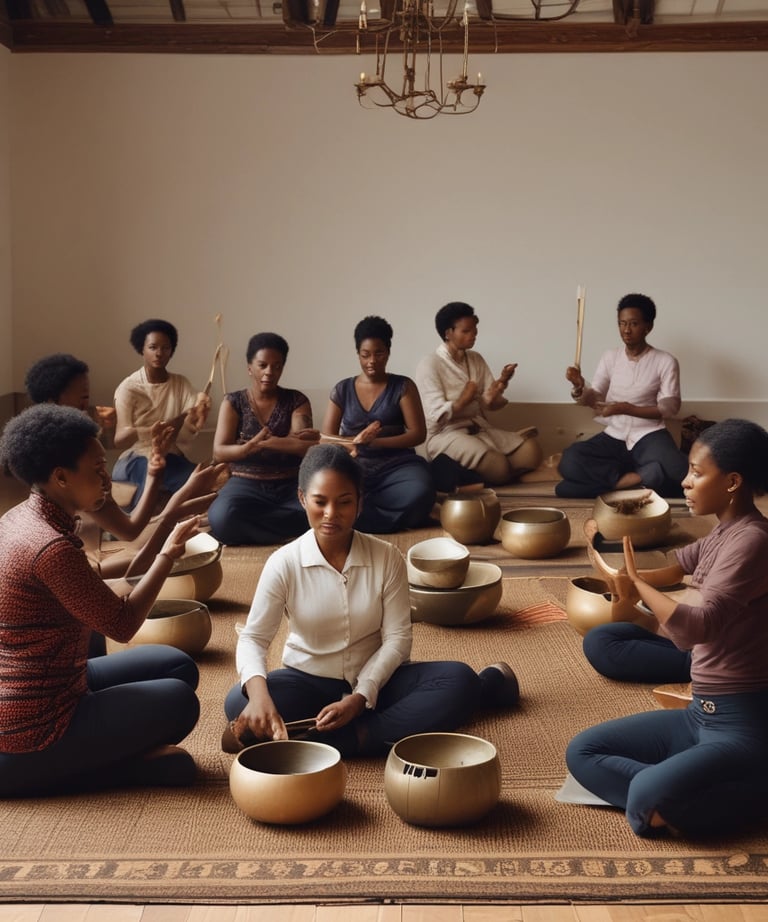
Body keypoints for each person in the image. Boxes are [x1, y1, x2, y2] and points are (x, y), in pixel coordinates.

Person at [223, 443, 519, 757]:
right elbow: (254, 637)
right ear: (301, 498)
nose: (331, 514)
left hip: (380, 681)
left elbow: (397, 639)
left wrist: (361, 696)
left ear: (360, 502)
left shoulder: (387, 557)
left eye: (344, 502)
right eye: (319, 502)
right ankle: (376, 732)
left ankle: (346, 739)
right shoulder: (283, 563)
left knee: (457, 679)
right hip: (307, 682)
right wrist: (258, 697)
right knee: (238, 702)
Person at [566, 419, 768, 838]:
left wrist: (636, 585)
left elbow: (700, 625)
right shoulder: (724, 532)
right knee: (582, 751)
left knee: (643, 800)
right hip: (700, 716)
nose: (686, 482)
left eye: (697, 472)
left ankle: (740, 789)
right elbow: (678, 565)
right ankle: (683, 784)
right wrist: (624, 578)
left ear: (732, 481)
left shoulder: (753, 541)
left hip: (741, 724)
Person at [0, 404, 203, 796]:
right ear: (60, 477)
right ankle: (104, 768)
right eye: (96, 470)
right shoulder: (50, 547)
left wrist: (173, 510)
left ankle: (105, 749)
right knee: (180, 701)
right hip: (36, 723)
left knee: (178, 666)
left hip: (59, 680)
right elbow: (122, 625)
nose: (107, 478)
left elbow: (115, 584)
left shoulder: (21, 516)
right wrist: (169, 554)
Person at [25, 352, 223, 577]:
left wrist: (154, 471)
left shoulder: (57, 453)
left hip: (76, 566)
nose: (106, 477)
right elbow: (129, 549)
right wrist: (181, 500)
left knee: (163, 545)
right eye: (82, 400)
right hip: (72, 574)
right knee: (162, 554)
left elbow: (130, 529)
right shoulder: (66, 464)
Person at [556, 293, 688, 499]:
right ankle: (634, 480)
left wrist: (624, 408)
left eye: (634, 323)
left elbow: (669, 409)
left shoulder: (665, 361)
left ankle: (613, 485)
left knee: (682, 476)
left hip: (649, 436)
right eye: (622, 323)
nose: (626, 330)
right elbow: (596, 397)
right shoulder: (610, 357)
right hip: (614, 436)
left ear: (648, 326)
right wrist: (579, 386)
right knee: (570, 460)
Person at [321, 315, 435, 533]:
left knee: (421, 489)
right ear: (358, 354)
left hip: (398, 465)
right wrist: (356, 442)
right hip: (354, 465)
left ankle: (362, 519)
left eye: (379, 353)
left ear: (388, 352)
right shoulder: (342, 389)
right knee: (331, 492)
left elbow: (418, 434)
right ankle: (400, 517)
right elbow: (325, 438)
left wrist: (376, 443)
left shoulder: (403, 386)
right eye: (365, 355)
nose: (372, 360)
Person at [207, 332, 319, 546]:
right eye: (262, 365)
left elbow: (304, 446)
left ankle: (255, 532)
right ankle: (285, 535)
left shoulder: (297, 400)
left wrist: (261, 443)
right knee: (221, 517)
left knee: (316, 511)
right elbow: (219, 452)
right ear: (250, 367)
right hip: (245, 483)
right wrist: (247, 448)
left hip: (290, 484)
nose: (269, 372)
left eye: (277, 366)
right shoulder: (233, 402)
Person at [414, 301, 542, 488]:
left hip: (477, 429)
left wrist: (501, 384)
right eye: (466, 331)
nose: (473, 334)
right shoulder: (429, 364)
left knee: (531, 451)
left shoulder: (475, 359)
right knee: (498, 467)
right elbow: (435, 415)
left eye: (474, 330)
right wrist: (464, 399)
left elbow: (489, 403)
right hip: (444, 434)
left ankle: (498, 473)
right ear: (448, 333)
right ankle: (499, 473)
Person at [113, 319, 210, 509]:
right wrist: (152, 431)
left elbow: (192, 418)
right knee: (155, 476)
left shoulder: (180, 384)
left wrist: (200, 408)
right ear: (142, 349)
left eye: (165, 348)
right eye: (153, 347)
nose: (159, 353)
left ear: (171, 351)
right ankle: (135, 528)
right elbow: (120, 439)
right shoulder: (129, 388)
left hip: (170, 456)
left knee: (204, 482)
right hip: (136, 458)